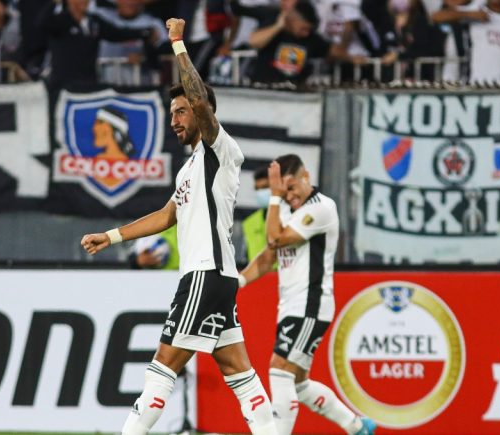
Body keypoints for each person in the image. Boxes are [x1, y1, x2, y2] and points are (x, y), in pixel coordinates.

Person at [81, 17, 277, 435]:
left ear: (202, 110)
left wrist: (177, 44)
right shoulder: (189, 168)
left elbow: (201, 101)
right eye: (171, 113)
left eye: (181, 110)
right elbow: (166, 216)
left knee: (161, 368)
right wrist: (111, 236)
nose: (174, 119)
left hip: (204, 275)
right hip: (218, 277)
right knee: (240, 374)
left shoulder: (219, 149)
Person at [238, 155, 376, 435]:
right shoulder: (285, 209)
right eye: (283, 190)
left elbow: (275, 240)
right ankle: (357, 426)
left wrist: (274, 198)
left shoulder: (322, 208)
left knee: (280, 369)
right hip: (291, 306)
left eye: (291, 188)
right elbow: (268, 257)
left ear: (306, 177)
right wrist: (237, 282)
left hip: (310, 305)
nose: (288, 195)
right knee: (298, 383)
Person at [248, 0, 356, 86]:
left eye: (309, 30)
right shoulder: (273, 28)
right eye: (303, 29)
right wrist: (278, 26)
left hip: (294, 91)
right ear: (293, 20)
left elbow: (334, 51)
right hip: (264, 88)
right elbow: (254, 42)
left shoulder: (311, 39)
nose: (306, 33)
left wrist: (354, 58)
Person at [242, 164, 274, 265]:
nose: (260, 192)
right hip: (256, 274)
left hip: (282, 274)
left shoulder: (289, 217)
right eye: (257, 189)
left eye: (265, 187)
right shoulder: (249, 223)